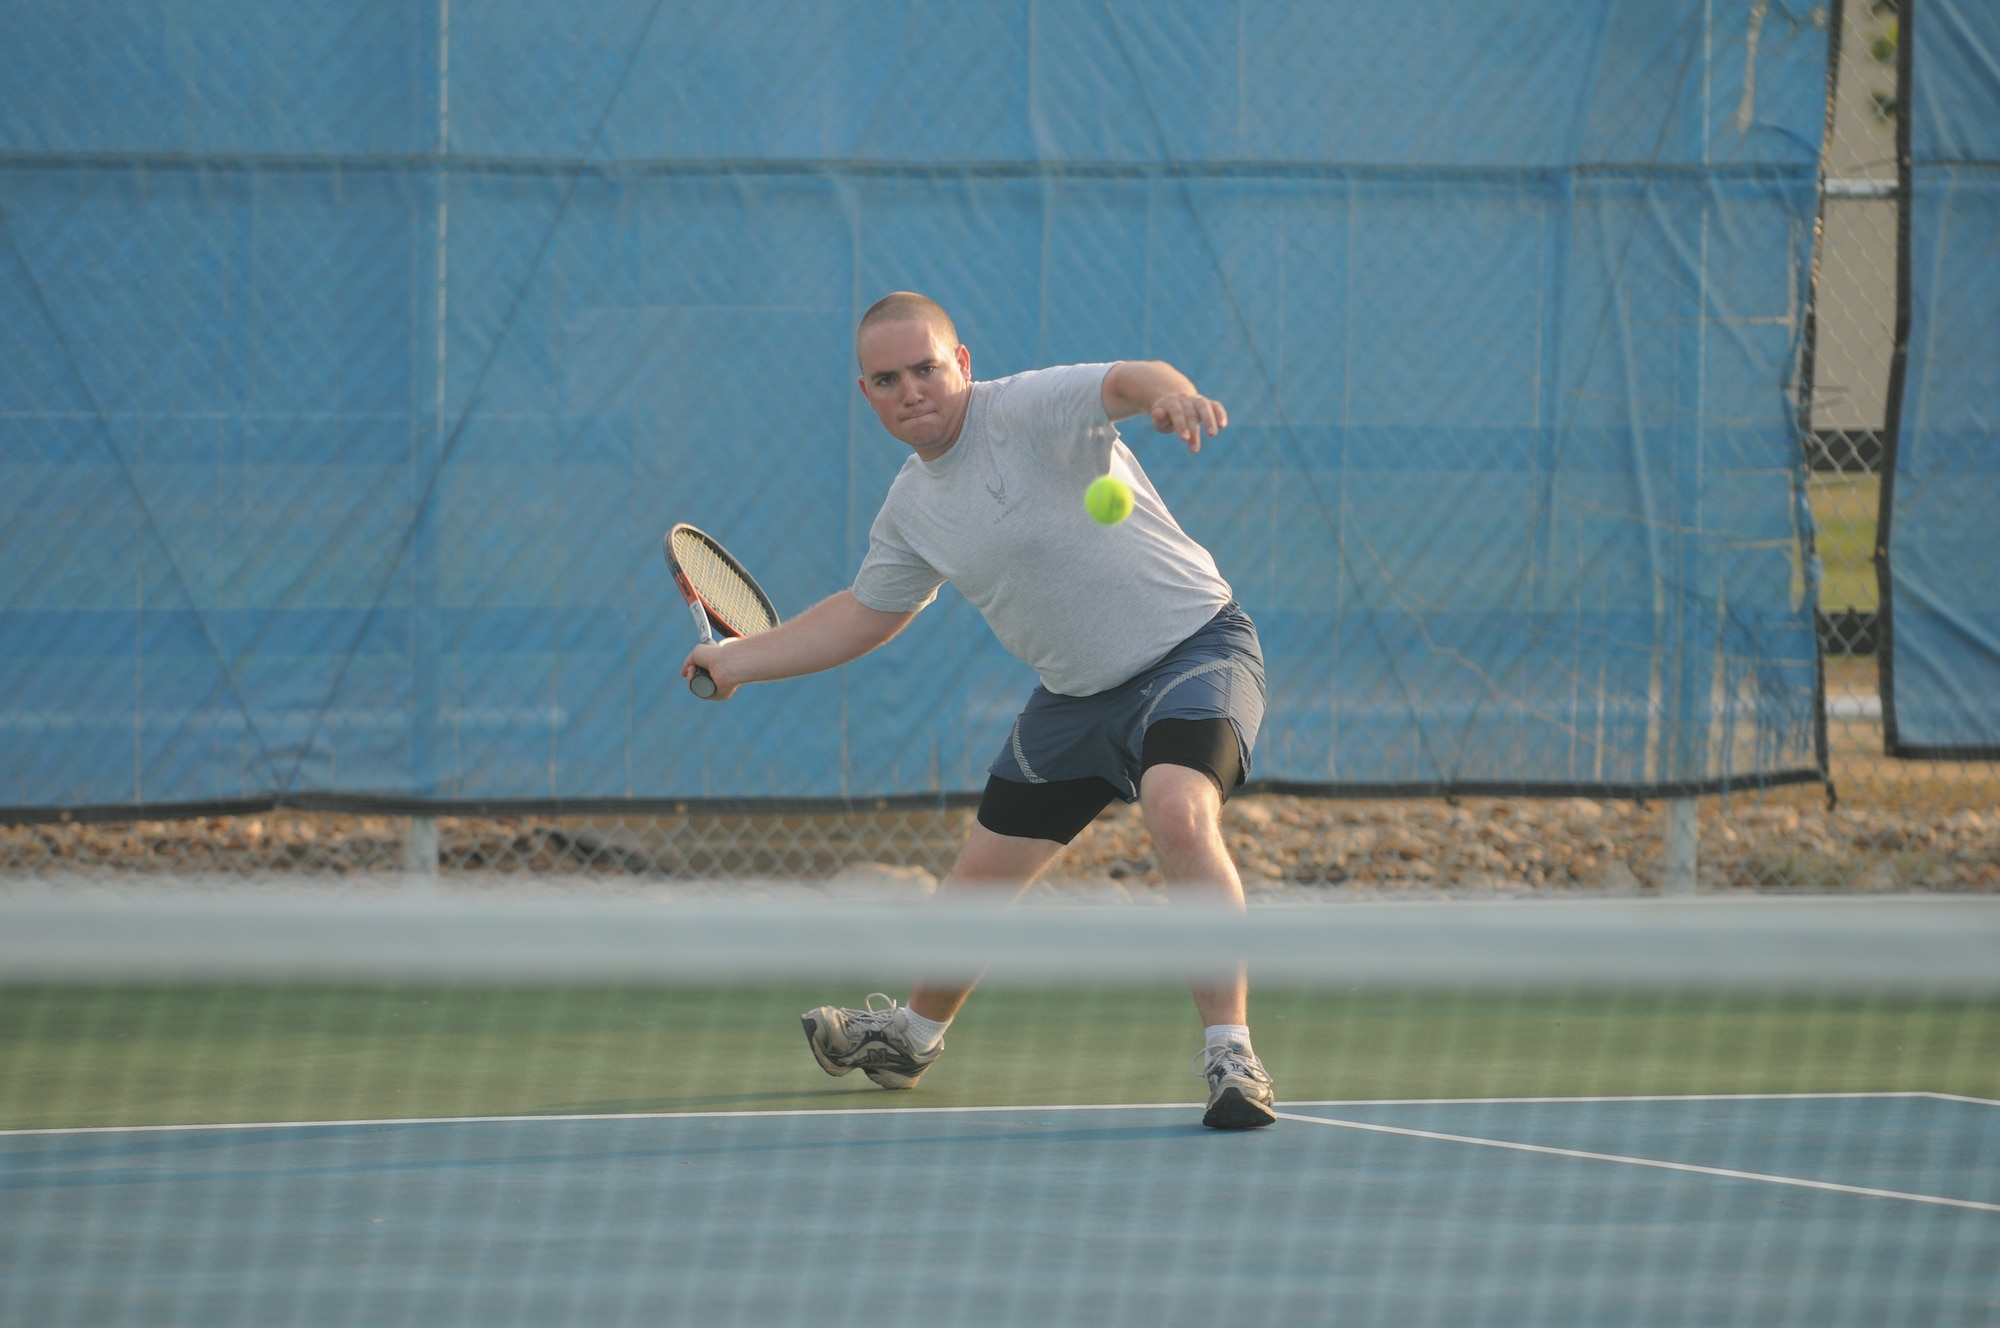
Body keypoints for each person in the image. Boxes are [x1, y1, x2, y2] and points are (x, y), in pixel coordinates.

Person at [681, 292, 1275, 1129]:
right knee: (981, 877)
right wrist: (737, 661)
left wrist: (1170, 395)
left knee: (1178, 808)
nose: (911, 390)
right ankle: (911, 1037)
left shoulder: (1028, 407)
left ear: (961, 364)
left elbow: (1130, 380)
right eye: (887, 379)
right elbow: (864, 613)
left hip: (1194, 650)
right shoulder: (913, 509)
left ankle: (1231, 1053)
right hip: (1074, 697)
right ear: (867, 395)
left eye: (926, 368)